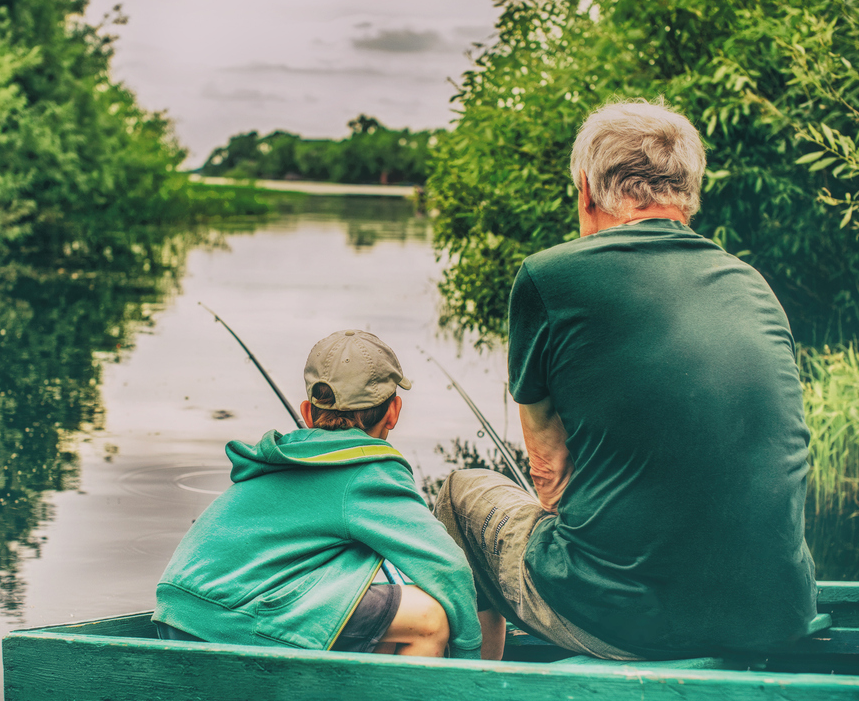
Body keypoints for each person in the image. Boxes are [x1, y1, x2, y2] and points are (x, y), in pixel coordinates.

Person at [434, 100, 817, 661]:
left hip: (630, 623)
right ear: (690, 192)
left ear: (586, 190)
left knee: (462, 495)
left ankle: (473, 692)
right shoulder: (752, 284)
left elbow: (550, 474)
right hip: (778, 610)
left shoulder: (549, 276)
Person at [154, 329, 482, 658]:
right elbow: (448, 569)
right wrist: (468, 658)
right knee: (428, 619)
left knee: (374, 594)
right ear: (394, 411)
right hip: (230, 621)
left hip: (180, 609)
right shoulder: (370, 470)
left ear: (308, 413)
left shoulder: (281, 454)